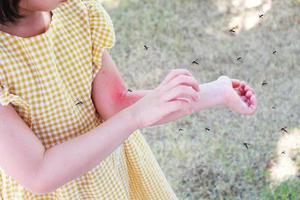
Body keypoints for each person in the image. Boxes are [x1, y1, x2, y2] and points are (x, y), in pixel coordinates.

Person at [0, 0, 257, 199]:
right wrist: (134, 117)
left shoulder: (77, 12)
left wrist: (216, 92)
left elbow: (116, 103)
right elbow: (38, 173)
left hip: (112, 179)